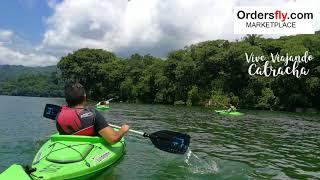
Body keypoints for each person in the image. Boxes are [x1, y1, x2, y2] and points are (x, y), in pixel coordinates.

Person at [56, 82, 129, 144]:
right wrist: (123, 129)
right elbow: (113, 139)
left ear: (66, 99)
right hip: (89, 147)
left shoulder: (59, 114)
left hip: (65, 144)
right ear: (85, 97)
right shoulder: (93, 114)